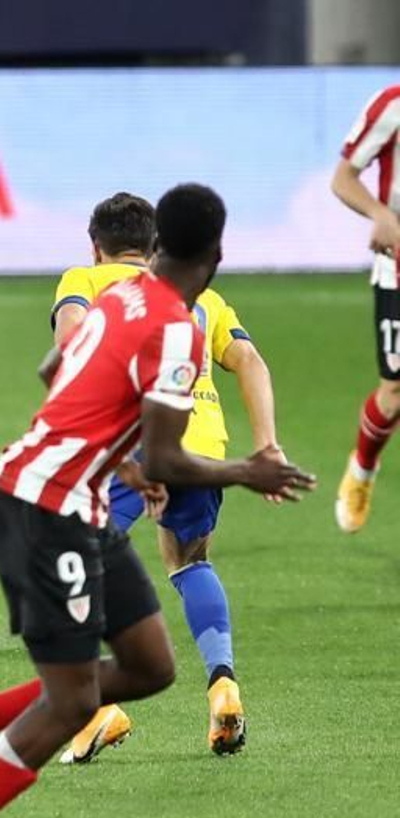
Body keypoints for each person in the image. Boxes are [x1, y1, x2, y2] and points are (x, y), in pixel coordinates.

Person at [0, 184, 314, 818]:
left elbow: (57, 370)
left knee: (150, 666)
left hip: (74, 498)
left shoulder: (116, 297)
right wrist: (249, 469)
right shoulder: (179, 328)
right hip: (43, 504)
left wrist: (122, 464)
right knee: (71, 702)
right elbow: (169, 457)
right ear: (215, 255)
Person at [44, 193, 287, 761]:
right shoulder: (207, 300)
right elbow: (250, 362)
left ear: (96, 246)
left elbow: (69, 338)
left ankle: (96, 710)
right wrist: (267, 444)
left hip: (130, 441)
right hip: (199, 445)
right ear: (155, 246)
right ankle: (223, 684)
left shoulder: (85, 280)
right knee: (189, 561)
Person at [332, 84, 400, 533]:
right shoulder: (392, 105)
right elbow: (343, 179)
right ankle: (362, 468)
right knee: (394, 394)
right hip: (397, 267)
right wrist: (381, 215)